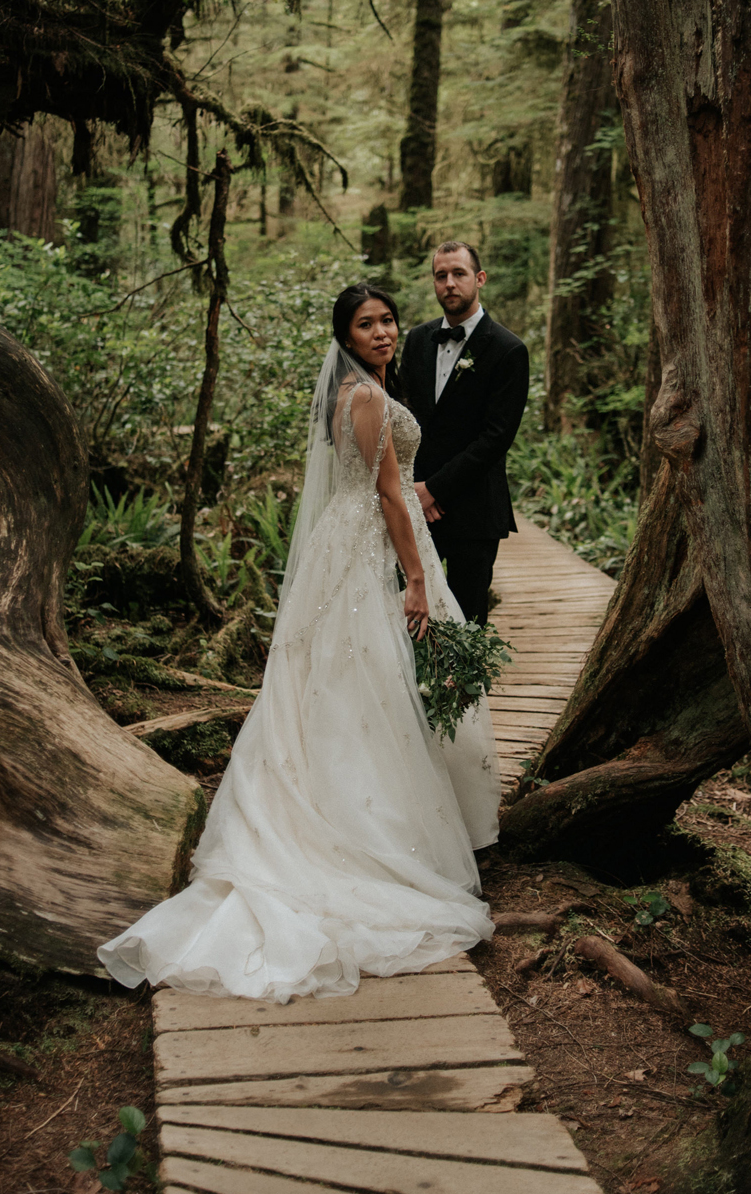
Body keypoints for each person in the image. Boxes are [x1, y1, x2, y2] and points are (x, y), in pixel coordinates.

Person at [97, 284, 500, 1002]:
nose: (381, 332)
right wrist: (414, 576)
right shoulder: (367, 397)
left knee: (351, 684)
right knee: (369, 681)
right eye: (365, 325)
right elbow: (383, 493)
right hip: (373, 545)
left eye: (386, 321)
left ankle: (381, 818)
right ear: (345, 335)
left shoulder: (357, 390)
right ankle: (371, 837)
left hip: (344, 546)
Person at [399, 242, 531, 625]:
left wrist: (434, 489)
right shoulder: (416, 339)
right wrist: (414, 489)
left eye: (458, 274)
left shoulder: (509, 350)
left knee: (467, 624)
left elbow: (495, 438)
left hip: (474, 510)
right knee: (405, 615)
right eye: (441, 276)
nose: (449, 284)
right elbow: (404, 420)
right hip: (417, 509)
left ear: (480, 279)